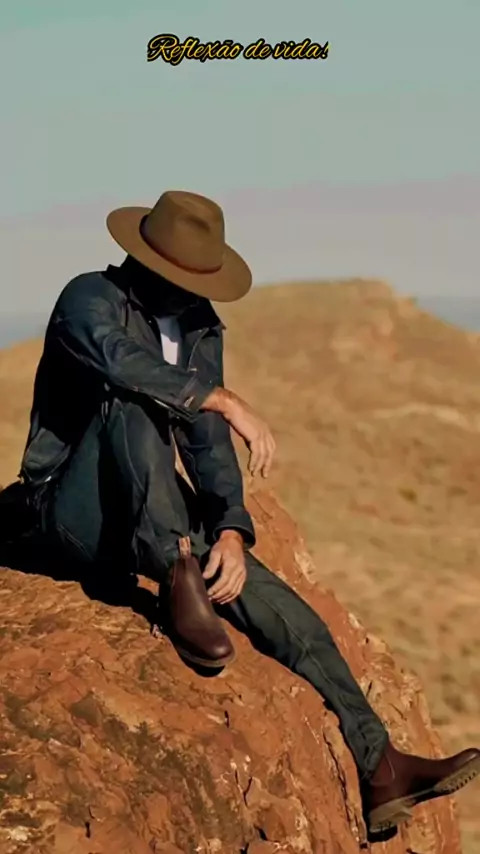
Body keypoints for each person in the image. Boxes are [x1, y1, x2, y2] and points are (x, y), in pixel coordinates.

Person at [7, 190, 479, 835]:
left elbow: (206, 446)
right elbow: (119, 361)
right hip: (66, 506)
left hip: (148, 508)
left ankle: (381, 764)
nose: (193, 291)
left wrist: (231, 527)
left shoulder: (198, 325)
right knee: (132, 401)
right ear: (148, 260)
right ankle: (178, 574)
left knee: (280, 607)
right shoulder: (89, 297)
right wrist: (223, 399)